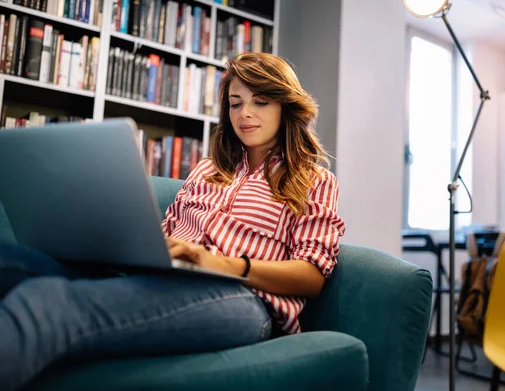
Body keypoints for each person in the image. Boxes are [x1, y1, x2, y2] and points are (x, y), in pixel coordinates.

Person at [0, 52, 346, 391]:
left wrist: (218, 263)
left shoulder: (312, 179)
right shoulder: (206, 170)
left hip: (241, 300)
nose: (245, 114)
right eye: (236, 102)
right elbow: (163, 237)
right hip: (163, 280)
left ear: (286, 106)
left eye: (261, 102)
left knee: (48, 302)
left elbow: (311, 276)